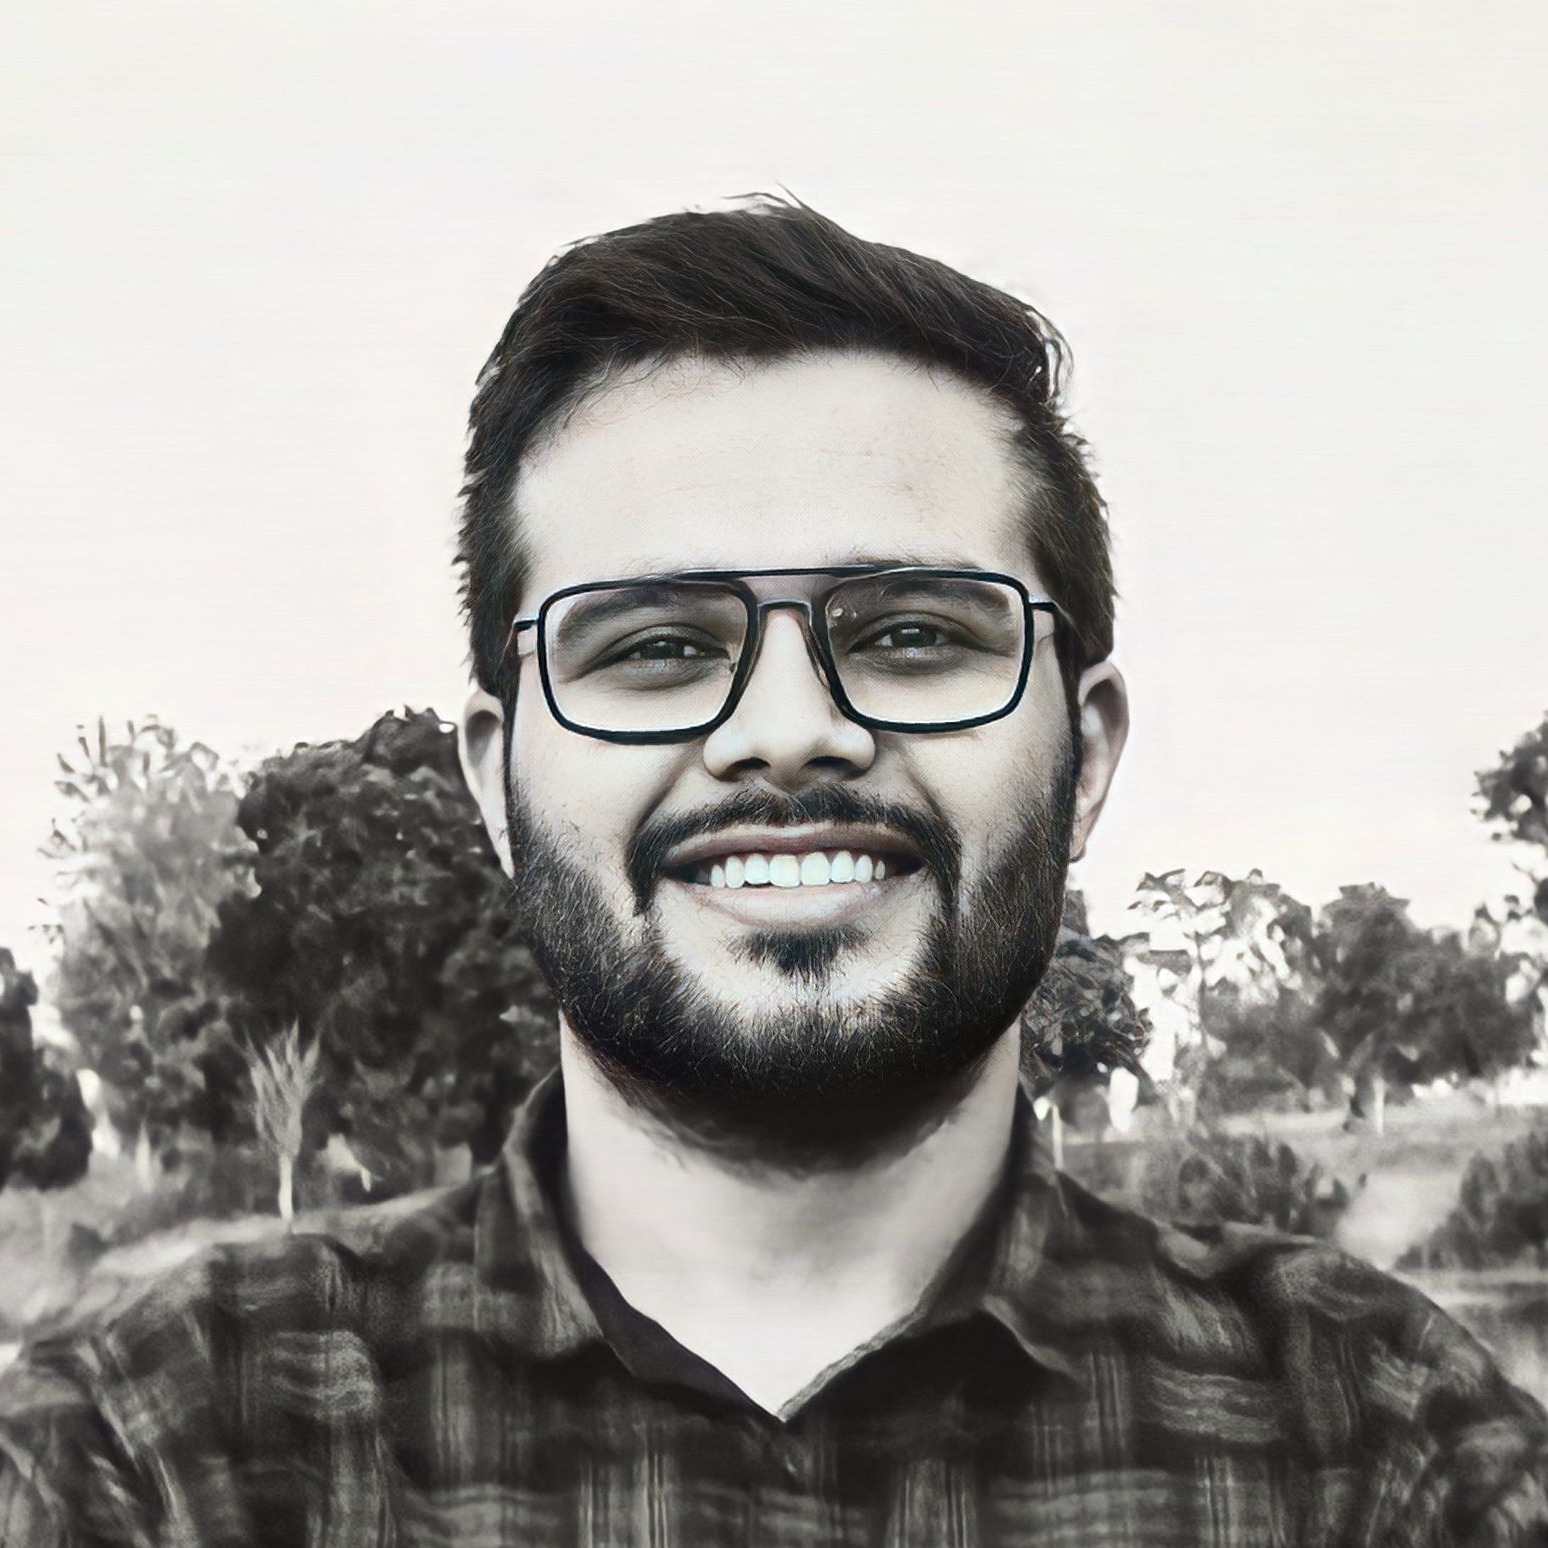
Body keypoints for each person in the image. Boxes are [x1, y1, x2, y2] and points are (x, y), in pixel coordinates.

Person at [1, 198, 1544, 1546]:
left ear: (1084, 755)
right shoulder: (158, 1446)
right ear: (496, 777)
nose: (790, 730)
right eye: (658, 648)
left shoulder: (1384, 1440)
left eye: (915, 634)